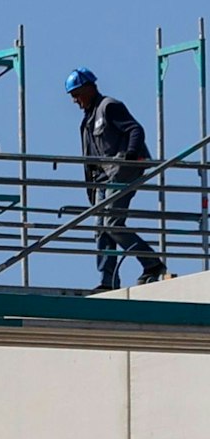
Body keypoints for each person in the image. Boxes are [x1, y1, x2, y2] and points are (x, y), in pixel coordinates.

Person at [67, 68, 166, 291]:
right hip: (103, 178)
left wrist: (130, 155)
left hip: (122, 170)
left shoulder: (109, 107)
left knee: (112, 223)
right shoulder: (88, 121)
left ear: (90, 88)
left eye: (77, 94)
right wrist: (92, 188)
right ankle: (107, 281)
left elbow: (135, 130)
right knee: (101, 228)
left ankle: (152, 263)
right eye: (72, 96)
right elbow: (91, 157)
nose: (75, 100)